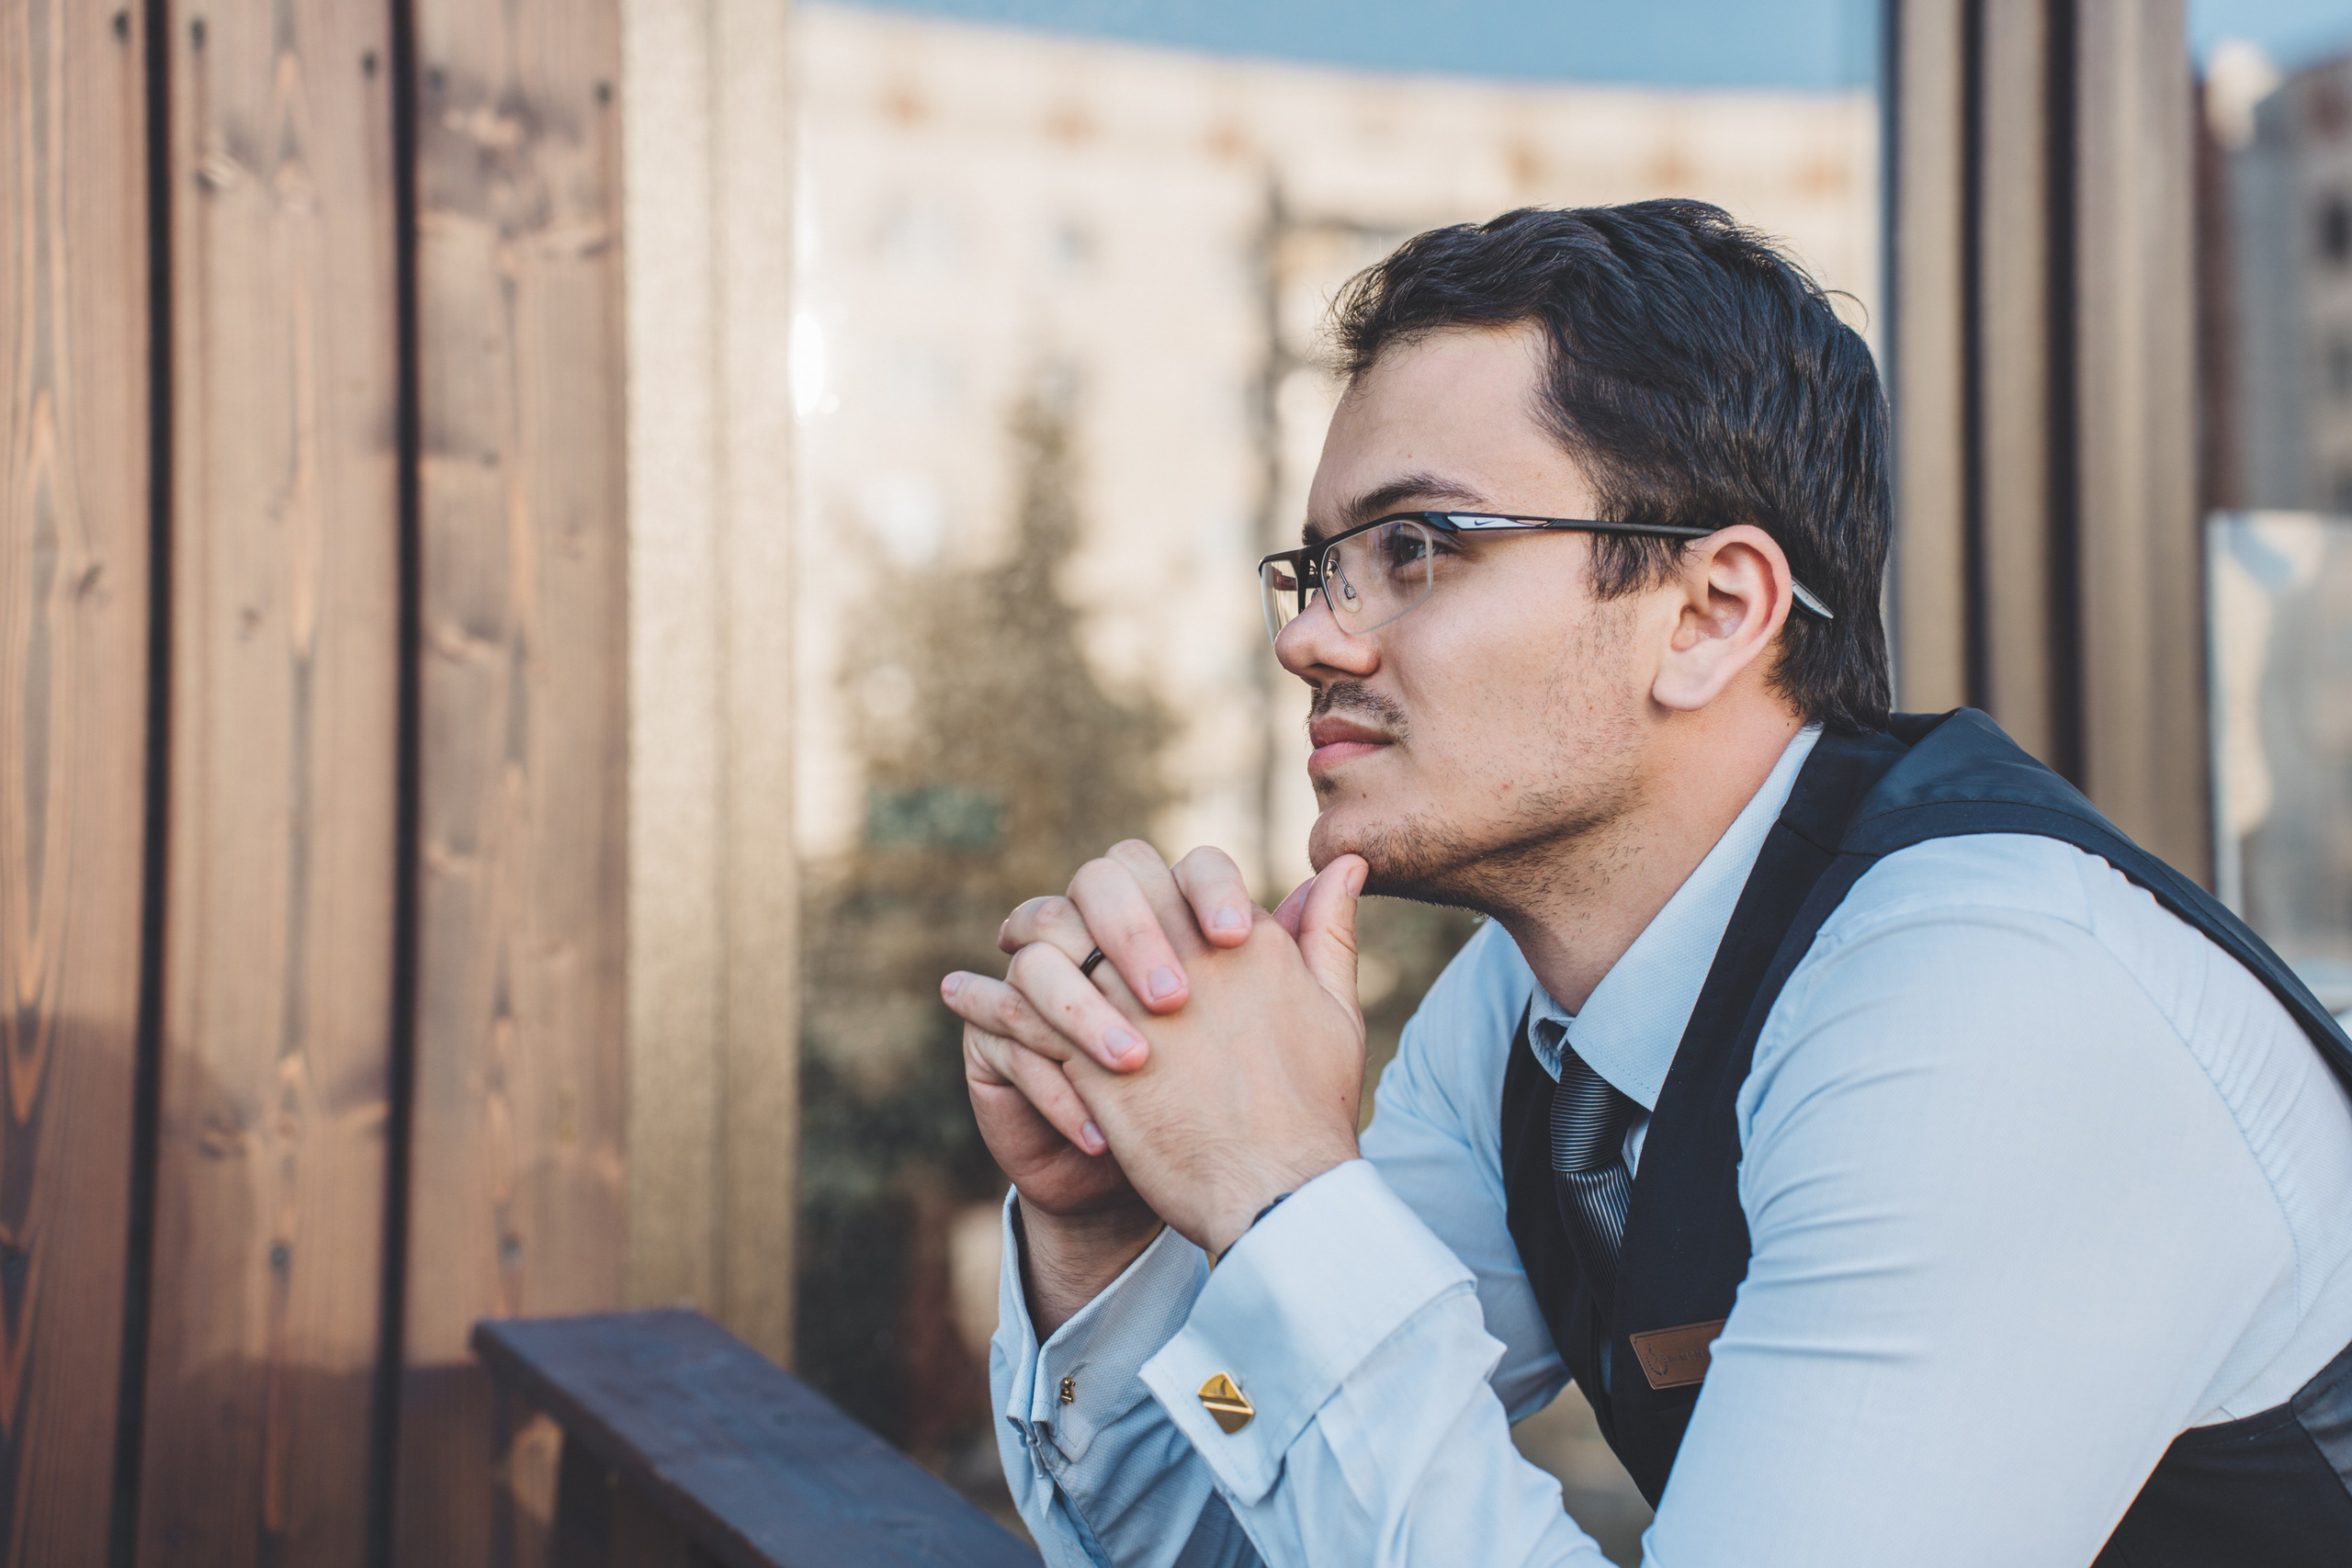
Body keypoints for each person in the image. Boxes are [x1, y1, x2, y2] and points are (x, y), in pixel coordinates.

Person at [937, 202, 2352, 1567]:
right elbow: (1226, 1531)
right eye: (1320, 567)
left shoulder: (1990, 1007)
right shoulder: (1526, 1019)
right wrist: (1113, 1235)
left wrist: (1280, 1199)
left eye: (1415, 548)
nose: (1312, 637)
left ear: (1712, 614)